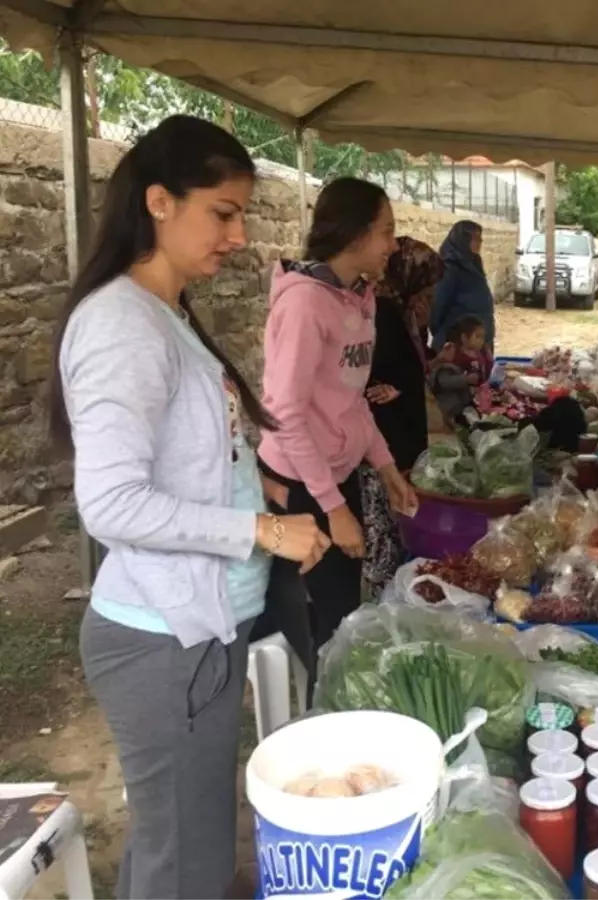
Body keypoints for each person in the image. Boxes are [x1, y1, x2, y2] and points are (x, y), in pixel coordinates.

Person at [49, 115, 329, 900]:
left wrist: (251, 484)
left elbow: (182, 456)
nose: (238, 236)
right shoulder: (119, 324)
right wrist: (261, 528)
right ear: (160, 202)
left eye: (242, 214)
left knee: (180, 839)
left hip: (196, 633)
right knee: (190, 862)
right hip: (159, 640)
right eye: (224, 212)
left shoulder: (164, 314)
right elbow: (111, 503)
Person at [258, 177, 417, 687]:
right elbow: (286, 414)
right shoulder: (305, 304)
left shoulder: (359, 297)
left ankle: (334, 705)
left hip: (335, 478)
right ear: (353, 235)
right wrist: (332, 508)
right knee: (318, 625)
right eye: (386, 232)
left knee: (344, 614)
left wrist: (386, 465)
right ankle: (315, 719)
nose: (393, 245)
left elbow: (350, 400)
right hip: (300, 486)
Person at [360, 236, 444, 598]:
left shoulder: (404, 312)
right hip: (384, 435)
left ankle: (395, 592)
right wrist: (386, 386)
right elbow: (365, 372)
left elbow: (412, 366)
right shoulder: (377, 311)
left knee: (399, 517)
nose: (430, 292)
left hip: (404, 430)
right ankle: (381, 602)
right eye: (426, 283)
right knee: (384, 522)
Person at [431, 220, 494, 350]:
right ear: (462, 240)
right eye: (475, 238)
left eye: (480, 238)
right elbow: (438, 307)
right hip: (459, 345)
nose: (480, 242)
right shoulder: (449, 268)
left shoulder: (474, 264)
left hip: (478, 343)